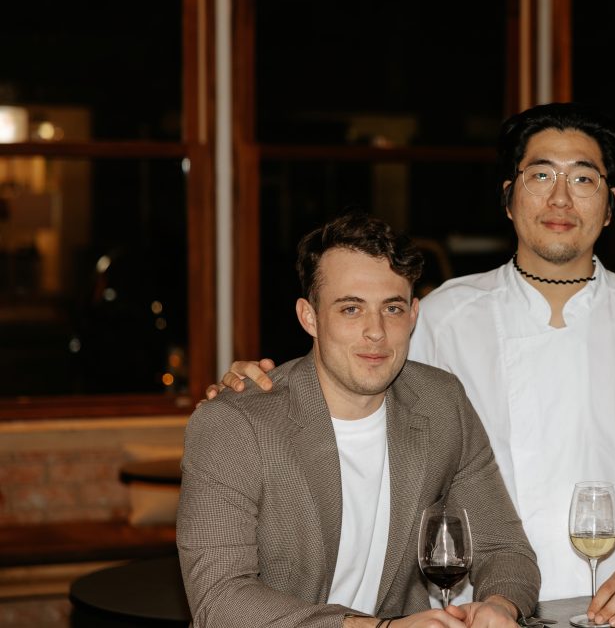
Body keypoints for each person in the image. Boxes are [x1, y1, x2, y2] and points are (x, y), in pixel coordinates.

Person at [208, 103, 615, 627]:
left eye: (584, 178)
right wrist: (261, 385)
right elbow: (355, 381)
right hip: (463, 612)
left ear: (611, 204)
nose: (560, 198)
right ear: (508, 196)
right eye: (541, 174)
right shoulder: (444, 315)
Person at [179, 213, 540, 628]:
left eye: (392, 308)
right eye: (351, 309)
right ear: (309, 317)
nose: (376, 332)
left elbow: (505, 548)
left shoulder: (442, 402)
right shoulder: (234, 425)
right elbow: (220, 599)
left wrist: (499, 605)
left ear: (414, 314)